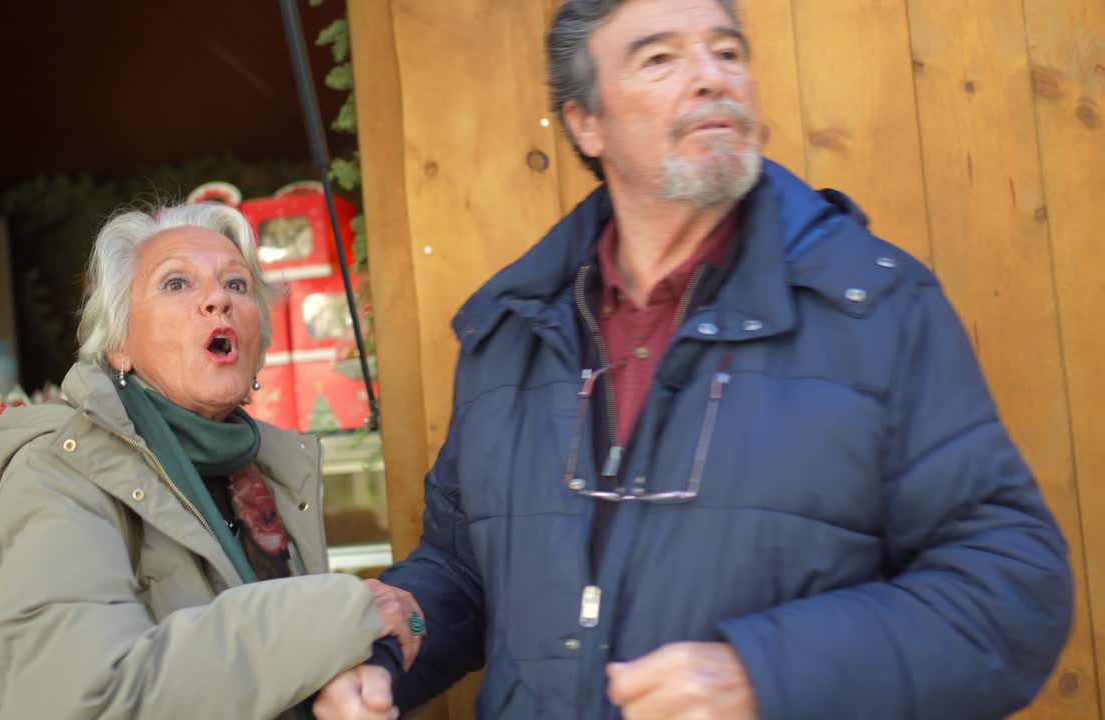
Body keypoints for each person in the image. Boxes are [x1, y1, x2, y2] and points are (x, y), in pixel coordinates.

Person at [312, 0, 1074, 718]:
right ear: (585, 123)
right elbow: (462, 572)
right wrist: (389, 648)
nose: (712, 76)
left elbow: (1010, 590)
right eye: (660, 59)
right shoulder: (512, 332)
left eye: (727, 51)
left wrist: (767, 675)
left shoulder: (878, 307)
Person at [0, 203, 423, 720]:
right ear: (118, 345)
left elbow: (285, 667)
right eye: (176, 283)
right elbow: (77, 699)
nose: (219, 299)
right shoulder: (57, 471)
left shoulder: (275, 475)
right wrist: (337, 615)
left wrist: (344, 682)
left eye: (237, 285)